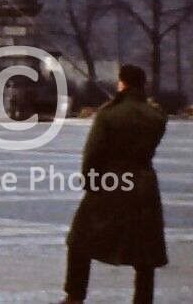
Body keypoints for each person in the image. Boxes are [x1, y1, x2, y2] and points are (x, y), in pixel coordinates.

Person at [60, 63, 167, 304]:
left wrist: (90, 182)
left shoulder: (109, 114)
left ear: (123, 82)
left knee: (79, 239)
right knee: (144, 248)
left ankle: (74, 294)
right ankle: (143, 299)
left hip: (112, 181)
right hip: (145, 183)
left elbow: (93, 153)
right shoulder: (157, 115)